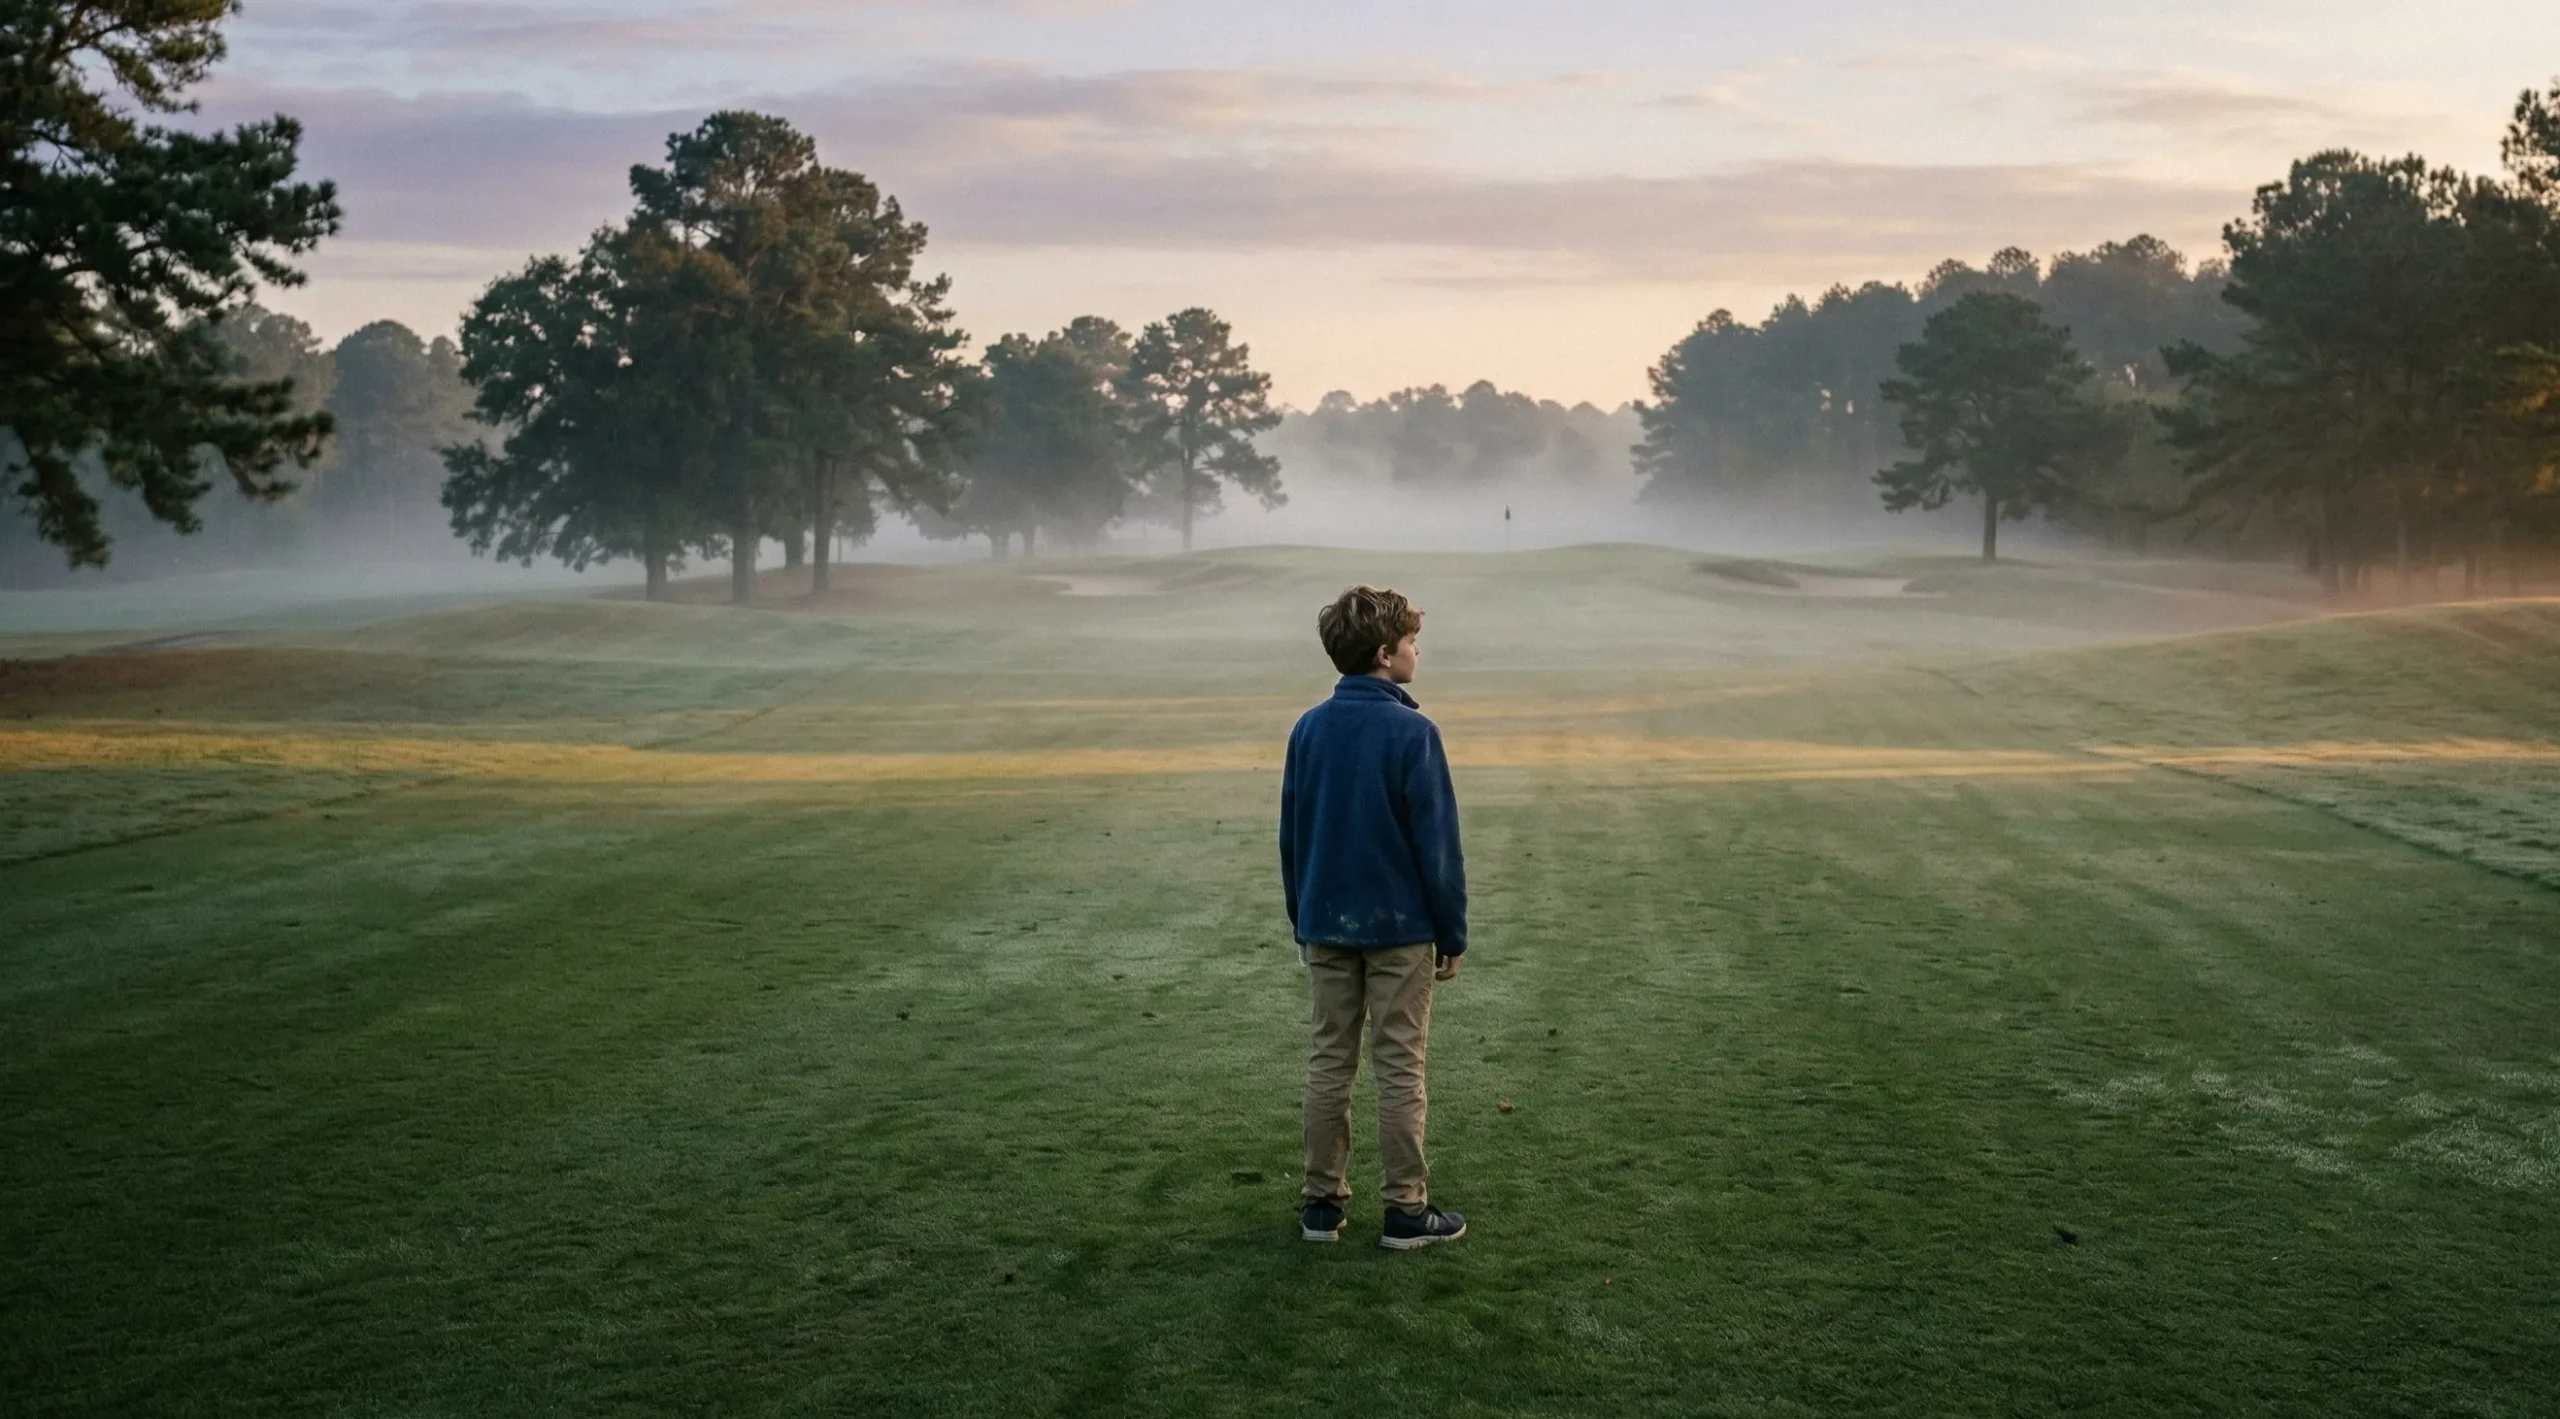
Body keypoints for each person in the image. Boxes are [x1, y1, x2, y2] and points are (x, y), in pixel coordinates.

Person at [1279, 584, 1469, 1250]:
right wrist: (1453, 933)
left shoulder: (1308, 727)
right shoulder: (1414, 731)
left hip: (1326, 922)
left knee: (1329, 1060)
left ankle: (1321, 1206)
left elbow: (1292, 835)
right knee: (1399, 1065)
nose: (1418, 650)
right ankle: (1406, 1210)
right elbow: (1437, 848)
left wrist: (1301, 918)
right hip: (1400, 931)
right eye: (1413, 641)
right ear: (1386, 654)